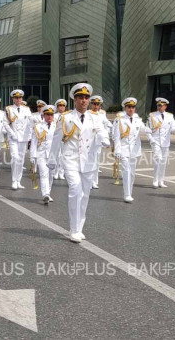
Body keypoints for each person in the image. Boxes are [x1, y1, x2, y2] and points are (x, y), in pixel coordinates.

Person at [49, 84, 108, 243]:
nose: (84, 100)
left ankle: (79, 227)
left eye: (86, 97)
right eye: (80, 97)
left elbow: (101, 131)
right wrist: (52, 159)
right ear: (74, 100)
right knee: (75, 189)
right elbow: (56, 140)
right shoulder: (66, 117)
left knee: (85, 194)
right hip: (71, 159)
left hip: (88, 161)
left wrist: (105, 140)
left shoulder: (95, 117)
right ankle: (73, 229)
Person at [112, 97, 146, 203]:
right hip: (123, 149)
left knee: (132, 173)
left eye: (133, 107)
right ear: (125, 108)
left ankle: (129, 192)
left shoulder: (137, 119)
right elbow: (116, 136)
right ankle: (126, 194)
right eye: (129, 107)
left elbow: (144, 129)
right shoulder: (119, 119)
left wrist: (151, 131)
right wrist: (117, 150)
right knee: (126, 171)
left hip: (134, 150)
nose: (131, 109)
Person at [146, 97, 175, 188]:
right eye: (158, 105)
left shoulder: (170, 116)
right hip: (155, 141)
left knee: (163, 162)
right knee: (158, 160)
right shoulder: (152, 115)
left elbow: (174, 125)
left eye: (161, 105)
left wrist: (173, 128)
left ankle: (161, 181)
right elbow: (148, 129)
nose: (159, 107)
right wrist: (151, 139)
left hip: (165, 142)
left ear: (165, 106)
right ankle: (155, 180)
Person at [5, 89, 32, 190]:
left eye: (19, 98)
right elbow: (5, 123)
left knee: (21, 159)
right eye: (16, 98)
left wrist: (29, 135)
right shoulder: (9, 109)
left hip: (23, 137)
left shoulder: (26, 109)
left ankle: (18, 181)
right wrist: (12, 133)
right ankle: (13, 180)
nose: (18, 99)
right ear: (13, 99)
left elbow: (30, 123)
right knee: (15, 158)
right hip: (13, 138)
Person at [30, 104, 57, 204]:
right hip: (41, 153)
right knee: (44, 174)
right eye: (47, 115)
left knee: (51, 175)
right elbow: (33, 141)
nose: (49, 117)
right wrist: (33, 155)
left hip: (53, 154)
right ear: (44, 116)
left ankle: (48, 193)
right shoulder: (38, 126)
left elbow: (60, 142)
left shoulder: (57, 126)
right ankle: (45, 194)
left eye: (51, 115)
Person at [88, 95, 112, 189]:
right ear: (91, 104)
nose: (96, 106)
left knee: (96, 162)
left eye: (98, 104)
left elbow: (106, 123)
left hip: (98, 141)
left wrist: (109, 131)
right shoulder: (87, 113)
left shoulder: (101, 115)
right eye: (94, 104)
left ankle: (94, 181)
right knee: (89, 161)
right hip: (89, 141)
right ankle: (88, 181)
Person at [52, 99, 68, 181]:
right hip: (57, 138)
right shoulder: (54, 116)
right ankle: (55, 172)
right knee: (57, 156)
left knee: (63, 156)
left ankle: (62, 173)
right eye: (60, 106)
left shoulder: (68, 116)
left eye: (63, 106)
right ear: (57, 107)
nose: (61, 108)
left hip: (65, 138)